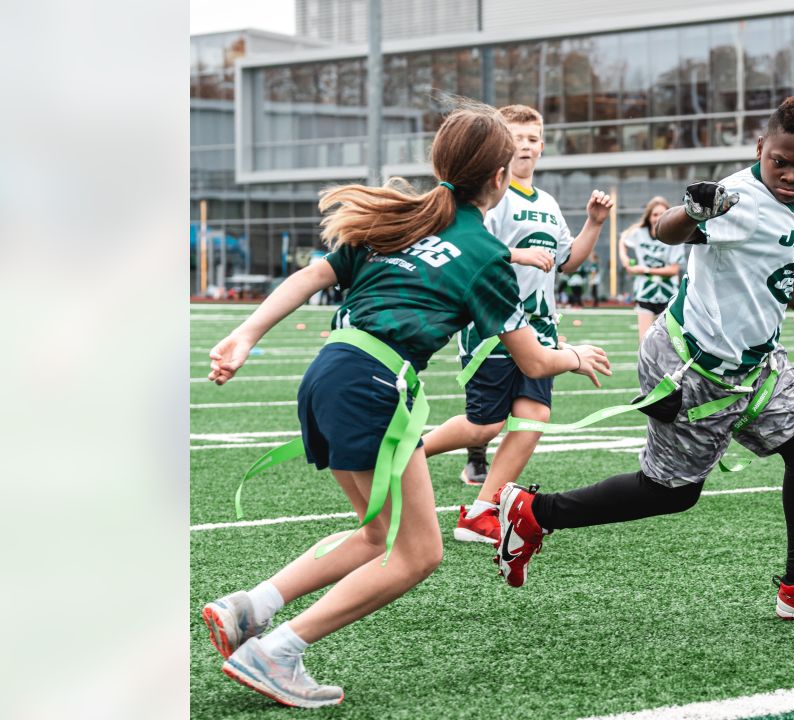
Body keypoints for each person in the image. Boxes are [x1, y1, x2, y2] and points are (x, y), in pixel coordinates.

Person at [198, 107, 611, 708]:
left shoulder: (400, 217)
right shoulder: (485, 254)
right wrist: (575, 354)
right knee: (418, 553)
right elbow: (534, 363)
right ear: (500, 178)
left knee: (375, 535)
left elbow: (312, 276)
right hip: (374, 386)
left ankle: (249, 610)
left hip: (328, 374)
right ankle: (276, 651)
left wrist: (246, 334)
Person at [492, 96, 794, 622]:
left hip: (756, 364)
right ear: (760, 148)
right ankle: (534, 512)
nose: (791, 174)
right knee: (668, 493)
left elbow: (783, 273)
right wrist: (697, 209)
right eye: (780, 163)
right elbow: (669, 229)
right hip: (691, 365)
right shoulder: (737, 197)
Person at [424, 104, 615, 545]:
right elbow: (470, 246)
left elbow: (568, 261)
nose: (525, 145)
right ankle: (401, 455)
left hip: (541, 328)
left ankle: (481, 511)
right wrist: (516, 254)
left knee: (533, 416)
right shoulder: (492, 196)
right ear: (498, 146)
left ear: (543, 145)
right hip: (494, 326)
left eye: (533, 137)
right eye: (516, 137)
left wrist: (594, 224)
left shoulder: (546, 202)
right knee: (485, 425)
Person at [619, 196, 684, 341]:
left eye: (662, 214)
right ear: (648, 217)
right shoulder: (639, 233)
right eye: (655, 214)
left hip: (669, 296)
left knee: (669, 344)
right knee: (645, 342)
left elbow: (673, 270)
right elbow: (623, 238)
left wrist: (645, 270)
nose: (658, 218)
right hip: (645, 293)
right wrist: (625, 260)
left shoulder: (676, 235)